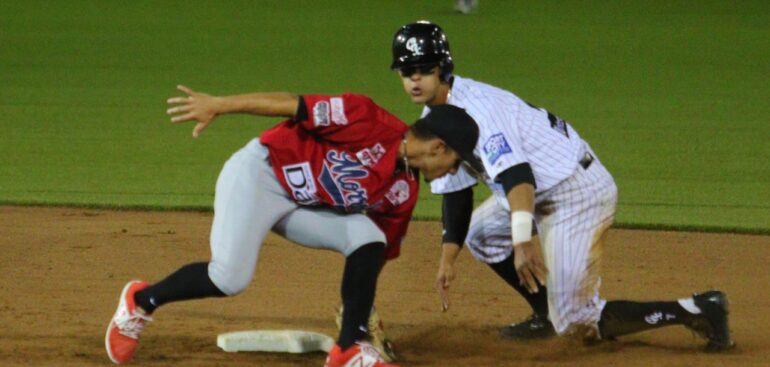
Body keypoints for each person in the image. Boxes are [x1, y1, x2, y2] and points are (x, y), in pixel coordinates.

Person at [388, 21, 735, 352]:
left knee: (576, 321)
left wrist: (523, 241)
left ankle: (698, 309)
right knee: (480, 234)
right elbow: (457, 191)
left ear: (443, 68)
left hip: (574, 191)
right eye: (407, 71)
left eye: (425, 68)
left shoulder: (479, 109)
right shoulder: (432, 123)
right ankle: (545, 315)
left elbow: (517, 177)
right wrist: (448, 258)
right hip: (535, 191)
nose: (415, 78)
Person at [104, 85, 480, 366]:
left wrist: (359, 309)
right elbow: (291, 104)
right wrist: (220, 105)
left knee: (369, 236)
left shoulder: (405, 190)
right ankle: (140, 301)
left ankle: (349, 346)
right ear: (439, 148)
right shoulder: (365, 118)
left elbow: (373, 255)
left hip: (299, 206)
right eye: (456, 163)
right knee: (228, 278)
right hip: (260, 176)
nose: (452, 171)